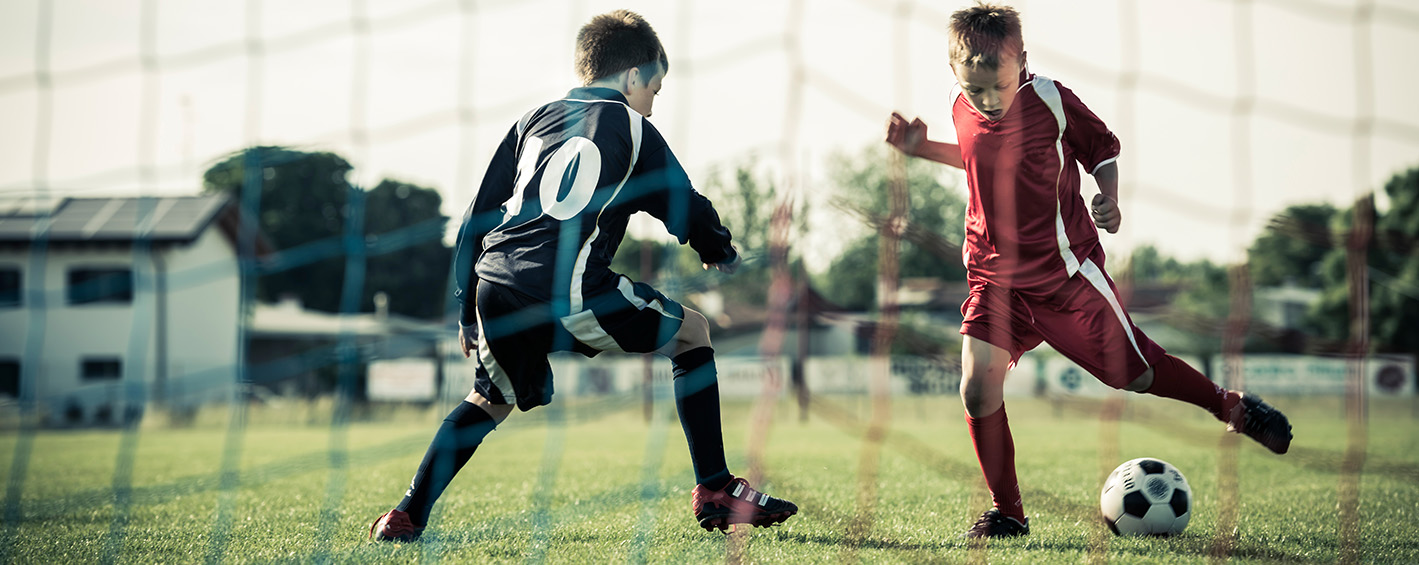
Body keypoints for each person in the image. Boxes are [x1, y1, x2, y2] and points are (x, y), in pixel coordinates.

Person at [369, 10, 797, 542]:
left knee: (490, 398)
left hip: (494, 284)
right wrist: (720, 250)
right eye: (656, 89)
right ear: (635, 76)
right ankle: (714, 489)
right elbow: (683, 204)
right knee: (693, 333)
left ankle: (406, 514)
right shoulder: (634, 127)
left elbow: (476, 218)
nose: (653, 101)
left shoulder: (532, 120)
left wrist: (465, 308)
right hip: (565, 287)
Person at [884, 2, 1292, 539]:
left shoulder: (1052, 100)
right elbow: (977, 154)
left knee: (1135, 373)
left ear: (1022, 62)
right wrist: (921, 149)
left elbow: (1101, 150)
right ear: (956, 75)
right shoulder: (963, 105)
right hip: (994, 281)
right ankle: (1008, 513)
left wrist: (1110, 196)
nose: (988, 101)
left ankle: (1230, 406)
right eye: (976, 90)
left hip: (1066, 279)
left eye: (999, 87)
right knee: (976, 389)